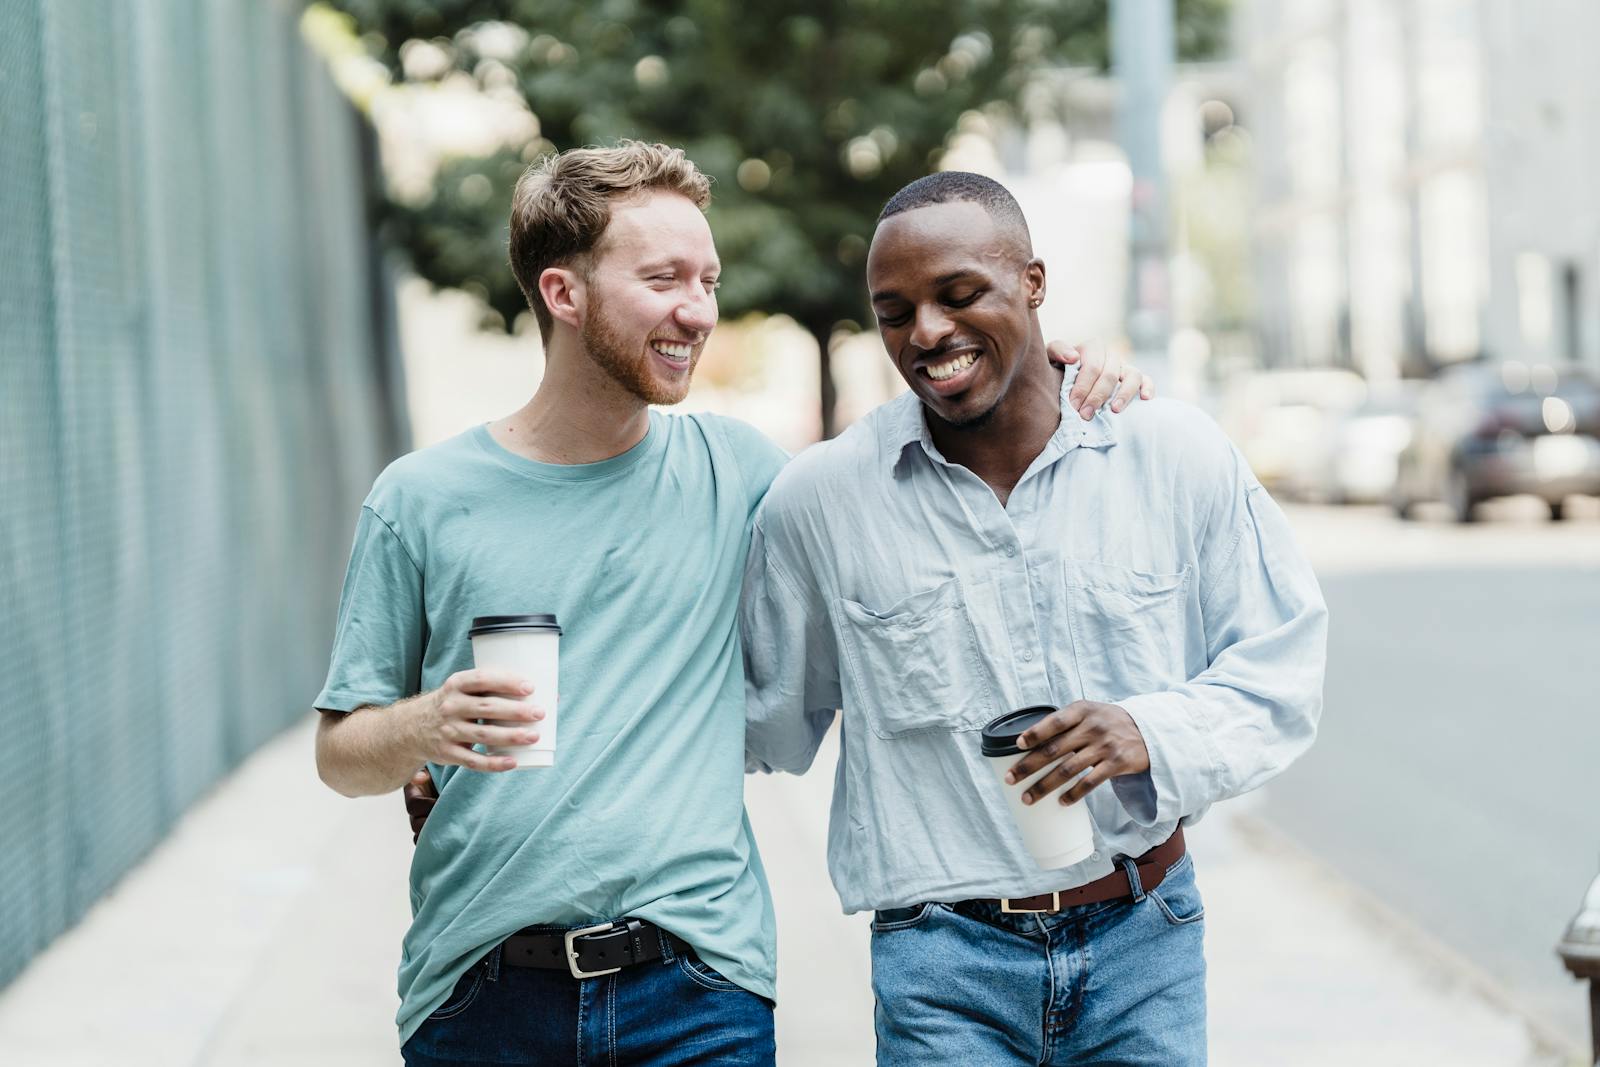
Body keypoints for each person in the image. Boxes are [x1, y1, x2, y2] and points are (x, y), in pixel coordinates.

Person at [314, 141, 1150, 1065]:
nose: (699, 311)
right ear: (563, 293)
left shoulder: (745, 475)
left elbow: (927, 447)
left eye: (708, 279)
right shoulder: (420, 499)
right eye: (666, 278)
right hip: (478, 990)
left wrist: (1053, 364)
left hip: (698, 993)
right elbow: (341, 753)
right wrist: (425, 725)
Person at [740, 171, 1328, 1066]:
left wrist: (1148, 728)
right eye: (894, 310)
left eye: (960, 293)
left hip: (1145, 936)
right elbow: (755, 721)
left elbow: (1281, 674)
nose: (927, 331)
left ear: (1034, 284)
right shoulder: (820, 504)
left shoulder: (1171, 454)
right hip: (942, 969)